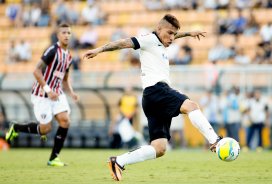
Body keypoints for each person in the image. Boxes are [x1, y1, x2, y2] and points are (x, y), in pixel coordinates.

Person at [83, 14, 222, 181]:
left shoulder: (162, 40)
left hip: (150, 98)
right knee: (191, 106)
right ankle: (215, 141)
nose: (172, 38)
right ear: (158, 29)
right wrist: (99, 50)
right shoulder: (148, 39)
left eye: (174, 34)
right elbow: (121, 43)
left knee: (159, 147)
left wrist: (188, 33)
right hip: (157, 90)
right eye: (169, 33)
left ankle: (118, 161)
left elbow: (174, 34)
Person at [5, 23, 79, 166]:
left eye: (69, 33)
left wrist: (71, 92)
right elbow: (36, 71)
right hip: (42, 94)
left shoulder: (68, 56)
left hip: (57, 94)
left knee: (65, 120)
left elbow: (64, 78)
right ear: (58, 35)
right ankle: (16, 128)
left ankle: (53, 158)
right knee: (45, 129)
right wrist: (47, 90)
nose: (66, 35)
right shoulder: (52, 50)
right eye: (63, 32)